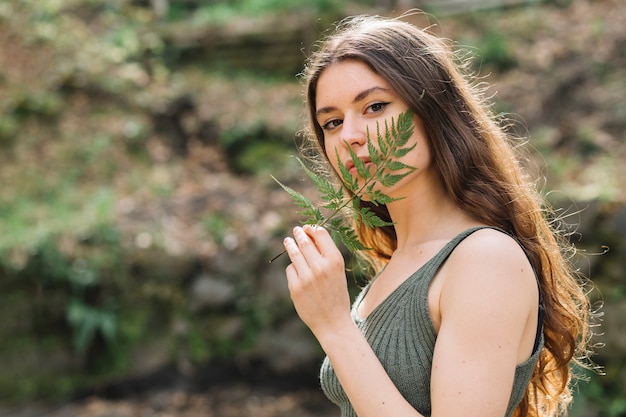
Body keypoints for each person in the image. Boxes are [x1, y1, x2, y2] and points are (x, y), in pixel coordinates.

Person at [281, 14, 594, 417]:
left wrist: (336, 328)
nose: (350, 135)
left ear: (435, 111)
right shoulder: (393, 264)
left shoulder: (486, 259)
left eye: (375, 106)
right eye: (332, 122)